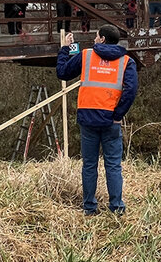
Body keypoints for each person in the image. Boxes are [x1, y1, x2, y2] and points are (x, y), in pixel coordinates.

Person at [56, 24, 138, 216]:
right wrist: (118, 114)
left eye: (96, 37)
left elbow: (62, 72)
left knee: (89, 165)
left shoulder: (86, 55)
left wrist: (65, 49)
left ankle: (90, 208)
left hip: (88, 118)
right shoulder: (127, 61)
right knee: (113, 165)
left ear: (102, 39)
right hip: (111, 120)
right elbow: (131, 90)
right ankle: (116, 207)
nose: (94, 40)